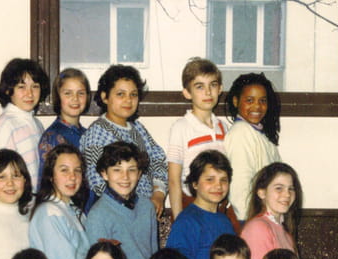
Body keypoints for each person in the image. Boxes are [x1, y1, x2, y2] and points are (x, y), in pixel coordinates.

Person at [79, 64, 167, 216]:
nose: (128, 100)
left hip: (146, 210)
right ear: (105, 97)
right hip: (116, 214)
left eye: (133, 94)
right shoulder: (96, 135)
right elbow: (98, 184)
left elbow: (158, 159)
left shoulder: (137, 128)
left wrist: (158, 192)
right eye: (120, 94)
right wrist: (133, 208)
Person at [84, 141, 158, 259]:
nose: (125, 177)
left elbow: (154, 254)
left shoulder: (147, 206)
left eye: (131, 170)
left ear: (139, 174)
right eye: (117, 170)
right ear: (104, 174)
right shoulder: (98, 215)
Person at [0, 58, 50, 199]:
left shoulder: (37, 124)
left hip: (34, 205)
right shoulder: (4, 126)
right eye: (21, 87)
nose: (29, 93)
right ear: (8, 90)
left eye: (35, 86)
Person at [166, 150, 235, 259]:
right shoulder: (187, 222)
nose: (218, 186)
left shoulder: (225, 221)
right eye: (210, 179)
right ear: (195, 184)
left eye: (223, 180)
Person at [167, 58, 228, 220]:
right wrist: (179, 220)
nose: (208, 92)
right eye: (200, 87)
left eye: (212, 85)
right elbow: (173, 180)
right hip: (192, 205)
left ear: (220, 89)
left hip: (219, 205)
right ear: (187, 93)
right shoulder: (181, 127)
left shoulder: (223, 127)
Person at [29, 144, 89, 259]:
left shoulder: (75, 211)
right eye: (64, 170)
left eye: (77, 170)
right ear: (51, 176)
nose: (72, 177)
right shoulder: (49, 213)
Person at [225, 73, 282, 221]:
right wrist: (249, 223)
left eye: (262, 101)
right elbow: (240, 187)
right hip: (250, 220)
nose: (257, 106)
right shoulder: (240, 133)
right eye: (249, 100)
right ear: (236, 101)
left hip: (267, 218)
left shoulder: (262, 134)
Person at [240, 162, 303, 259]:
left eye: (291, 189)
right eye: (279, 188)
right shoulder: (257, 228)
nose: (287, 194)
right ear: (262, 193)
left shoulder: (285, 232)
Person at [37, 68, 90, 179]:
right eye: (68, 93)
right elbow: (45, 180)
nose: (75, 98)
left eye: (80, 93)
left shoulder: (89, 134)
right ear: (58, 96)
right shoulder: (52, 137)